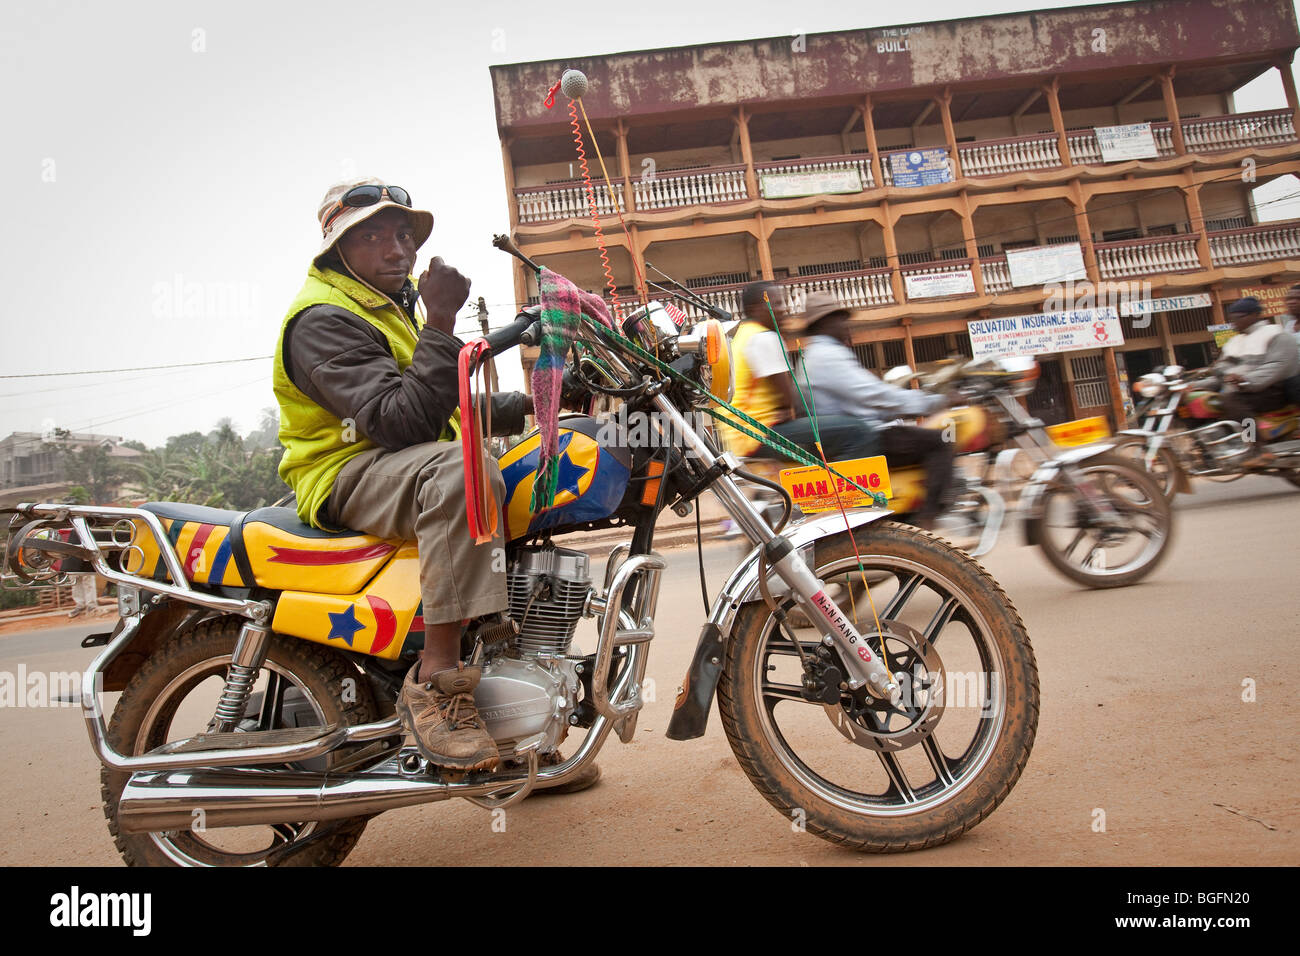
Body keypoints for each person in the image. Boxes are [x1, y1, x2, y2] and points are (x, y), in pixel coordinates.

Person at [274, 177, 597, 789]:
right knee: (462, 469)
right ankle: (437, 684)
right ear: (338, 250)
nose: (397, 249)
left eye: (403, 234)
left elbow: (445, 407)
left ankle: (516, 717)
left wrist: (543, 404)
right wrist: (444, 318)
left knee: (521, 467)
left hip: (401, 460)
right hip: (344, 471)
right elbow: (399, 421)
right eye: (373, 237)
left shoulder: (390, 307)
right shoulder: (322, 318)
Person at [790, 292, 955, 529]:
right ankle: (928, 518)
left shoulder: (813, 355)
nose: (846, 325)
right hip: (866, 437)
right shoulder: (828, 356)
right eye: (841, 319)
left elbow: (864, 400)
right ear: (826, 322)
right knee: (943, 441)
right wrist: (933, 402)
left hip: (851, 433)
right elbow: (875, 395)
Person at [717, 280, 879, 462]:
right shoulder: (764, 337)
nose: (782, 310)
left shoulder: (741, 335)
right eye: (776, 303)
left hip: (743, 438)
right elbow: (791, 402)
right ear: (756, 309)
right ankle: (845, 489)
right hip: (760, 436)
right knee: (858, 430)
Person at [1195, 296, 1300, 466]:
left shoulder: (1276, 334)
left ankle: (1257, 448)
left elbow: (1276, 367)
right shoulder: (1235, 342)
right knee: (1201, 401)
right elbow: (1221, 372)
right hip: (1243, 389)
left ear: (1254, 315)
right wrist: (1192, 386)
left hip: (1271, 391)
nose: (1234, 322)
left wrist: (1246, 380)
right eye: (1232, 319)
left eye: (1239, 317)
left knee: (1231, 401)